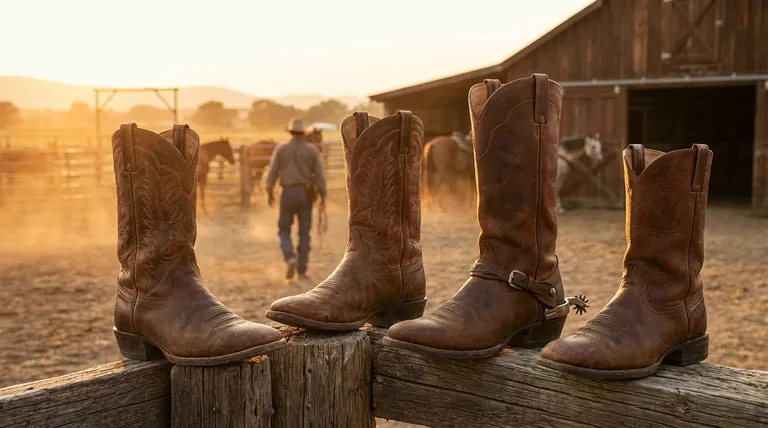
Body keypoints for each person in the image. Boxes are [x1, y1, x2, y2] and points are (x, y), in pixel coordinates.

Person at [265, 118, 327, 281]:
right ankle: (302, 270)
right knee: (304, 232)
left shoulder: (281, 149)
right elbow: (320, 176)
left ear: (290, 132)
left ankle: (290, 257)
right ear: (303, 132)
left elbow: (272, 172)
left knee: (284, 228)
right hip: (305, 194)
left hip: (287, 193)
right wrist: (323, 195)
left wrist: (269, 191)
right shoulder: (312, 151)